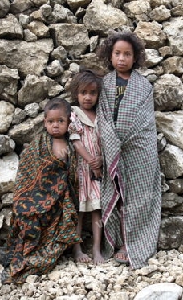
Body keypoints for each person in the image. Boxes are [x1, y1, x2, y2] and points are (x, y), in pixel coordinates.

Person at [96, 31, 161, 269]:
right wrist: (113, 140)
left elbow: (145, 122)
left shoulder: (144, 87)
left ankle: (131, 245)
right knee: (119, 198)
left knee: (138, 199)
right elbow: (101, 116)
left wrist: (126, 137)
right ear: (110, 56)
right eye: (117, 53)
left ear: (135, 58)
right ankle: (116, 242)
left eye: (127, 54)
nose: (122, 58)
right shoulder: (103, 84)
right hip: (112, 149)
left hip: (138, 151)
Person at [2, 98, 82, 284]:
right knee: (26, 216)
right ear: (44, 122)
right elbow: (27, 174)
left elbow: (72, 175)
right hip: (36, 197)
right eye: (51, 122)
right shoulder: (37, 146)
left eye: (60, 121)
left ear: (68, 122)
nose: (56, 126)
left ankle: (42, 257)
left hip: (60, 201)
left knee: (62, 221)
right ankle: (25, 254)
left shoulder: (72, 145)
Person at [67, 69, 105, 265]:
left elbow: (105, 141)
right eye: (83, 93)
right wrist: (92, 161)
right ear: (77, 94)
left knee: (97, 210)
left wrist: (100, 159)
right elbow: (76, 142)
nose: (88, 97)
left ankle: (97, 249)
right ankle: (77, 248)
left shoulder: (100, 115)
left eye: (92, 93)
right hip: (82, 170)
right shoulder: (74, 114)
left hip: (97, 171)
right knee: (80, 211)